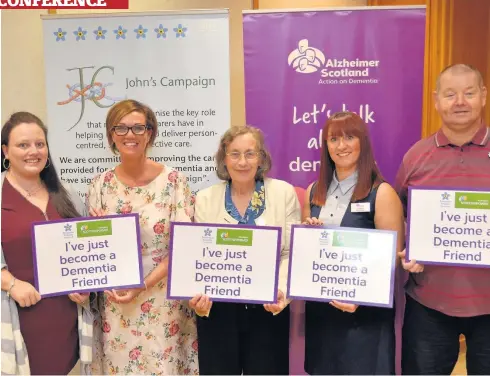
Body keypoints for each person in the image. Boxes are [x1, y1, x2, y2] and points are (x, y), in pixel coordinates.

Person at [86, 99, 198, 375]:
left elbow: (184, 248)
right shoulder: (99, 186)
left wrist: (143, 285)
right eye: (121, 128)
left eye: (138, 127)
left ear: (150, 133)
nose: (130, 135)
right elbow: (93, 248)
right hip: (117, 305)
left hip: (164, 305)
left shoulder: (175, 183)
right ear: (111, 135)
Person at [395, 64, 490, 375]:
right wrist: (407, 248)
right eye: (450, 94)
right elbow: (401, 216)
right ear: (436, 101)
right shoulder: (415, 157)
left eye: (469, 93)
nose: (459, 101)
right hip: (429, 305)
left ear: (483, 97)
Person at [188, 125, 300, 375]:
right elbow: (200, 257)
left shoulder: (283, 193)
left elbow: (290, 252)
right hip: (218, 310)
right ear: (224, 158)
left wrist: (281, 291)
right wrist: (198, 297)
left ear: (261, 157)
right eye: (235, 154)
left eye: (250, 153)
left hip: (268, 309)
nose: (242, 162)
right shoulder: (205, 199)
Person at [302, 111, 405, 375]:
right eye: (334, 139)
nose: (342, 146)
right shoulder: (314, 191)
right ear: (325, 146)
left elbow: (391, 260)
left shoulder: (381, 193)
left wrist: (362, 296)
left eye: (350, 137)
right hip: (322, 315)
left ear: (363, 143)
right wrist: (309, 234)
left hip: (365, 317)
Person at [1, 111, 93, 375]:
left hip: (65, 321)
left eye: (40, 144)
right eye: (23, 145)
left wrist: (87, 287)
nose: (34, 151)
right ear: (6, 151)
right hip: (17, 318)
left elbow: (84, 254)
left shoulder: (68, 194)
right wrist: (11, 283)